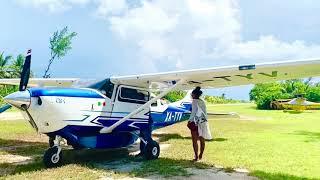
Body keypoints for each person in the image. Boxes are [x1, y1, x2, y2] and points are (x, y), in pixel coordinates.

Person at [187, 86, 212, 161]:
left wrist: (189, 121)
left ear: (194, 95)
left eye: (192, 94)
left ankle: (196, 156)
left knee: (194, 140)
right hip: (203, 122)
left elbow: (193, 112)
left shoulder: (194, 101)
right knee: (202, 140)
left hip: (195, 122)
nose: (191, 95)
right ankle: (201, 154)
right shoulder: (202, 101)